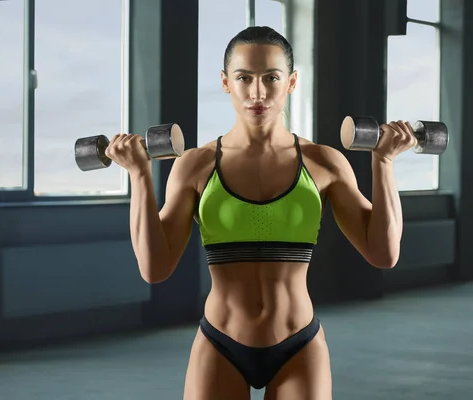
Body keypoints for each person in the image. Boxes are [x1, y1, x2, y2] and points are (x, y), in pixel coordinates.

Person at [105, 26, 416, 400]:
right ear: (225, 82)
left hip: (298, 344)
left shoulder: (323, 163)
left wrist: (383, 162)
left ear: (292, 82)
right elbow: (155, 270)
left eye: (271, 77)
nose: (257, 92)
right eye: (244, 78)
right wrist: (139, 175)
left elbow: (384, 254)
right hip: (221, 342)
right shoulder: (195, 166)